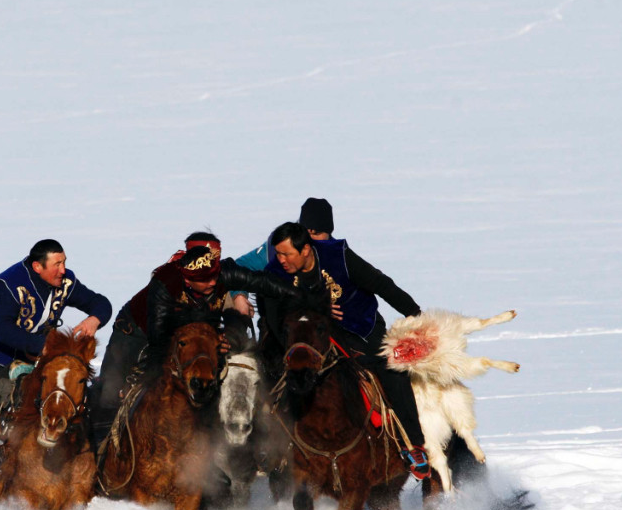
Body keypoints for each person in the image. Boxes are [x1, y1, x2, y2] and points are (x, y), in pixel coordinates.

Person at [89, 232, 306, 449]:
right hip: (137, 331)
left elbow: (261, 282)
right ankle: (100, 454)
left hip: (190, 333)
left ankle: (207, 455)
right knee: (112, 391)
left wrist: (302, 297)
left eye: (214, 276)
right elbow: (160, 337)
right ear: (187, 279)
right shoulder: (166, 283)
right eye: (205, 279)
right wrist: (210, 337)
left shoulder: (222, 273)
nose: (213, 282)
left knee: (208, 382)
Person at [261, 219, 431, 473]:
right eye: (278, 254)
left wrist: (415, 314)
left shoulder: (338, 256)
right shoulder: (275, 272)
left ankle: (413, 444)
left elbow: (381, 284)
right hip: (311, 338)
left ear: (305, 250)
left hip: (361, 330)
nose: (281, 260)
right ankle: (274, 449)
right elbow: (273, 317)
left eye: (286, 254)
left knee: (391, 369)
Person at [0, 239, 112, 510]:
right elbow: (1, 330)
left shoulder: (65, 282)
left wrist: (94, 319)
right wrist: (38, 346)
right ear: (37, 266)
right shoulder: (8, 284)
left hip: (40, 361)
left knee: (76, 402)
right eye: (57, 264)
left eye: (64, 262)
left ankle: (93, 479)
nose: (63, 269)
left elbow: (100, 302)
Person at [229, 197, 335, 317]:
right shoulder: (278, 247)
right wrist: (239, 296)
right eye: (307, 232)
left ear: (328, 233)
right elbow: (238, 268)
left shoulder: (337, 255)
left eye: (317, 233)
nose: (310, 238)